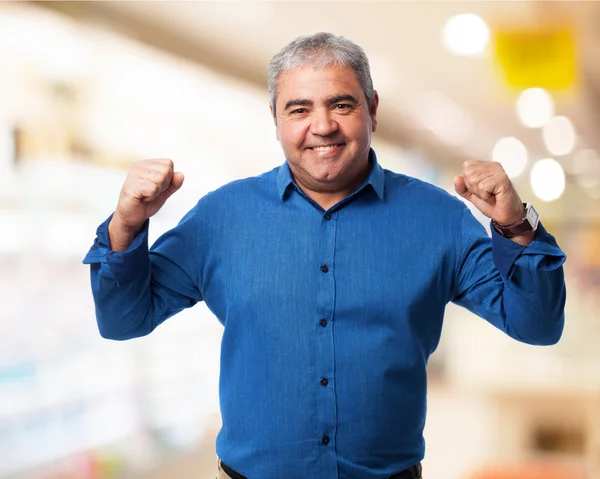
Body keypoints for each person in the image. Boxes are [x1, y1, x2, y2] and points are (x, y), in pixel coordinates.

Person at [83, 32, 567, 479]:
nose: (323, 126)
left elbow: (537, 324)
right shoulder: (221, 219)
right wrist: (126, 223)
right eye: (299, 109)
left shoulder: (439, 218)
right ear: (274, 119)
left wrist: (515, 224)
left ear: (372, 110)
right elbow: (123, 319)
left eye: (341, 104)